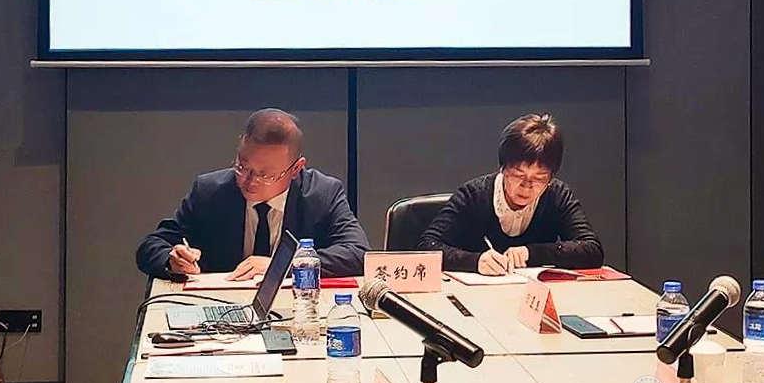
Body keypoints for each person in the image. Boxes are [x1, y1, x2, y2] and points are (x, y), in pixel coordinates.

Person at [136, 108, 370, 279]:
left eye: (265, 175)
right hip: (220, 313)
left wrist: (281, 266)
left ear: (296, 169)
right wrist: (172, 259)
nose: (250, 181)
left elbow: (358, 254)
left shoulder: (322, 194)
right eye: (242, 167)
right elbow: (152, 246)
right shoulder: (210, 191)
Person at [418, 113, 603, 274]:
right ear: (503, 168)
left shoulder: (557, 195)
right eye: (518, 175)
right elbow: (427, 245)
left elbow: (592, 250)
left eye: (539, 178)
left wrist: (532, 253)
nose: (526, 186)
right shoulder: (474, 195)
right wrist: (475, 261)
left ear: (551, 177)